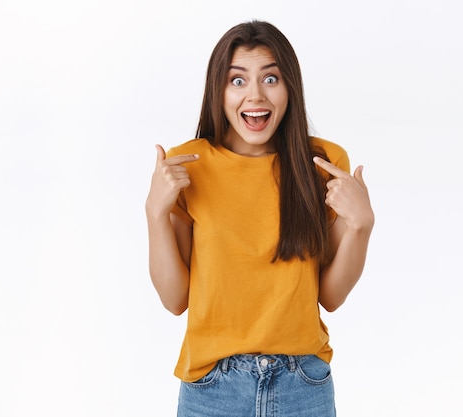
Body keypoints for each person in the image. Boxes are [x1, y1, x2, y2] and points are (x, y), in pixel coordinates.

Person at [146, 20, 374, 417]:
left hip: (302, 384)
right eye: (237, 81)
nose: (255, 95)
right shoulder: (189, 164)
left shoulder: (322, 163)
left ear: (290, 88)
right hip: (211, 389)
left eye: (271, 78)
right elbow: (173, 299)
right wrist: (155, 212)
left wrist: (361, 226)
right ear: (218, 90)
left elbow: (330, 297)